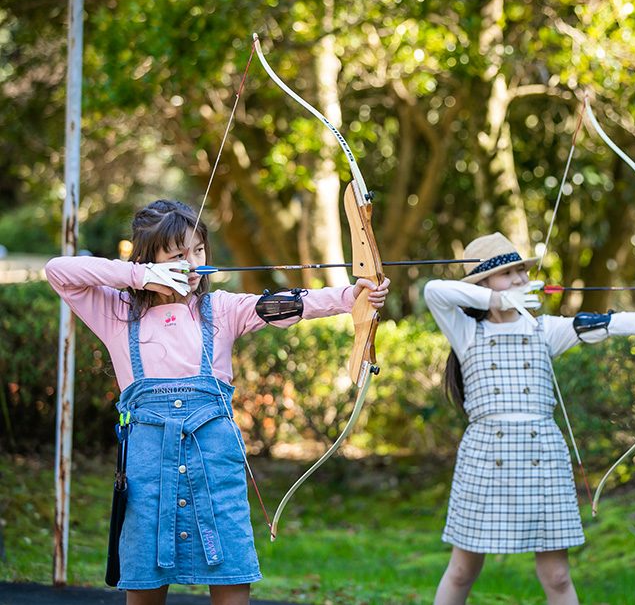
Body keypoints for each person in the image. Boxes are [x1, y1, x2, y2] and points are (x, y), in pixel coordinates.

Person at [44, 199, 390, 605]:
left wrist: (351, 296)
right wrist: (141, 277)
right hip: (147, 476)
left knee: (231, 584)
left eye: (198, 251)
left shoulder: (221, 308)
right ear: (150, 261)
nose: (193, 264)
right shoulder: (117, 312)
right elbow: (58, 271)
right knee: (144, 590)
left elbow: (285, 304)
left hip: (215, 470)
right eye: (177, 256)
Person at [424, 232, 635, 605]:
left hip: (542, 456)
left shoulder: (545, 329)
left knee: (557, 576)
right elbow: (433, 290)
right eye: (507, 274)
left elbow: (608, 323)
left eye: (521, 271)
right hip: (485, 456)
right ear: (482, 284)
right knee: (462, 571)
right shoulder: (466, 332)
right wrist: (498, 301)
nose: (520, 279)